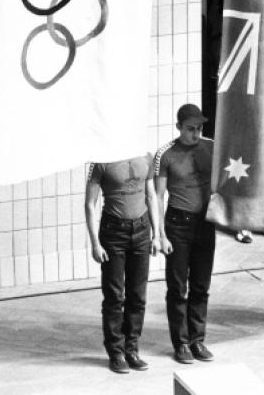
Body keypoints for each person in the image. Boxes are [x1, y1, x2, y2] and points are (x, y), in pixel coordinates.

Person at [84, 155, 162, 374]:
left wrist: (156, 234)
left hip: (141, 229)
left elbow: (151, 195)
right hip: (113, 232)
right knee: (114, 295)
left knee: (138, 295)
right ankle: (116, 352)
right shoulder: (101, 160)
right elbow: (90, 204)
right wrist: (95, 243)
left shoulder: (145, 156)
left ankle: (132, 348)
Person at [154, 104, 216, 364]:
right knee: (178, 287)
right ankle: (180, 343)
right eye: (190, 129)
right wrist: (160, 235)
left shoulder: (211, 147)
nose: (196, 133)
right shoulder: (165, 155)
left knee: (201, 285)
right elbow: (157, 197)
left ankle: (197, 340)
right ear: (178, 126)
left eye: (199, 128)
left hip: (205, 223)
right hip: (178, 224)